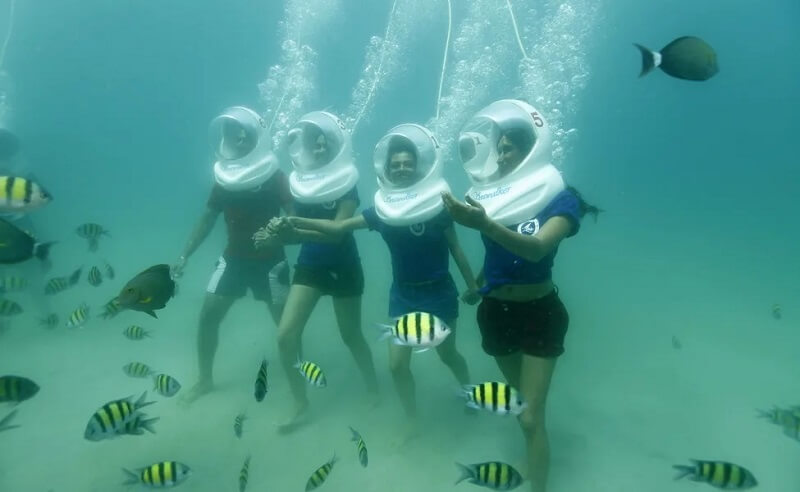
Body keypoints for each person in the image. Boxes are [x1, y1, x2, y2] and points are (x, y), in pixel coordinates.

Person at [274, 124, 480, 442]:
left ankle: (470, 392)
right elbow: (338, 229)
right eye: (395, 164)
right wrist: (295, 222)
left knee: (446, 353)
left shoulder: (439, 206)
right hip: (403, 295)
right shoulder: (383, 211)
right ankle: (412, 418)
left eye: (407, 163)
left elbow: (456, 249)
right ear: (387, 169)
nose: (401, 168)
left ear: (419, 166)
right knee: (397, 366)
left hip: (439, 291)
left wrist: (472, 285)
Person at [442, 99, 600, 492]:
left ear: (532, 149)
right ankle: (531, 458)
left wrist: (484, 223)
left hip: (540, 313)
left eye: (511, 147)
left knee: (531, 416)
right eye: (500, 148)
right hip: (496, 311)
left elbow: (537, 249)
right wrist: (479, 286)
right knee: (519, 407)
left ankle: (538, 482)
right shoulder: (491, 196)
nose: (502, 154)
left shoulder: (562, 200)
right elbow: (496, 255)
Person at [254, 111, 379, 433]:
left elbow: (338, 231)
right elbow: (296, 232)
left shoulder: (347, 187)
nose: (321, 149)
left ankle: (373, 387)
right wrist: (277, 234)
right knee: (285, 336)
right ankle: (300, 403)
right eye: (316, 144)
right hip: (310, 265)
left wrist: (292, 228)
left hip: (344, 266)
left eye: (326, 144)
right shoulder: (300, 185)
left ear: (337, 147)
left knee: (351, 336)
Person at [175, 106, 294, 404]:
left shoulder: (276, 177)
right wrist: (185, 254)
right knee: (208, 316)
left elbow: (294, 219)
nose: (240, 142)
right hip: (233, 259)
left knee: (286, 326)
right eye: (235, 137)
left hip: (272, 262)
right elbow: (207, 218)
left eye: (246, 137)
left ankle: (299, 380)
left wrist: (280, 232)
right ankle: (204, 380)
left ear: (257, 140)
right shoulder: (225, 179)